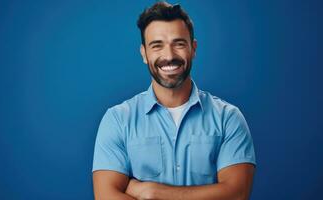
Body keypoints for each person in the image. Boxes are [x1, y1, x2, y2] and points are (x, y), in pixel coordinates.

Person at [92, 1, 256, 199]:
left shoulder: (228, 118)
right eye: (157, 46)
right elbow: (106, 196)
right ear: (144, 54)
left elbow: (236, 195)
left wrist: (153, 192)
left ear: (193, 49)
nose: (168, 56)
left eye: (178, 44)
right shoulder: (117, 120)